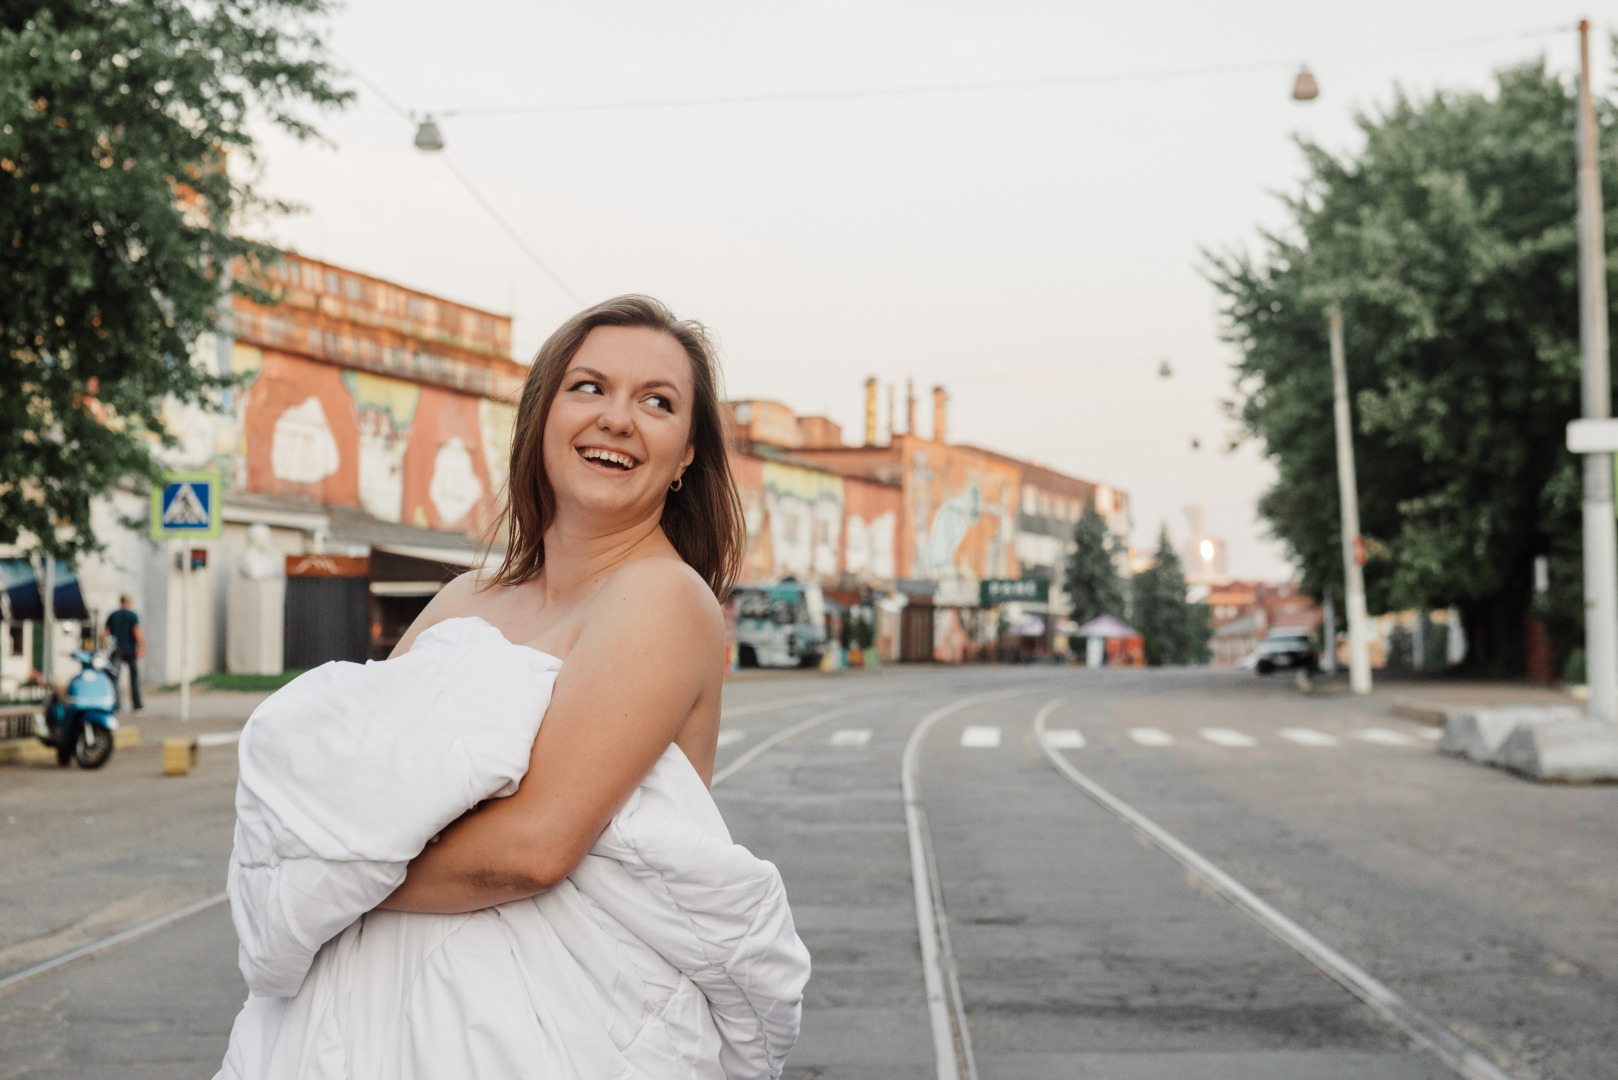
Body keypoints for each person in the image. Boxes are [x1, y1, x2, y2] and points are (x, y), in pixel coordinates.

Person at [215, 296, 809, 1079]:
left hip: (556, 1027)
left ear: (688, 453)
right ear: (543, 414)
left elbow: (534, 849)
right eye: (589, 387)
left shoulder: (662, 597)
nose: (617, 419)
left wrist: (323, 880)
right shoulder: (465, 598)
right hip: (387, 1018)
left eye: (657, 402)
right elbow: (365, 783)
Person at [101, 595, 143, 714]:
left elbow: (104, 633)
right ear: (129, 602)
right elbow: (137, 631)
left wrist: (102, 648)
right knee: (134, 678)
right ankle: (137, 706)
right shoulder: (132, 615)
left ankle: (116, 705)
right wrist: (141, 647)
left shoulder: (113, 615)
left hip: (116, 650)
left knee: (114, 677)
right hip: (130, 649)